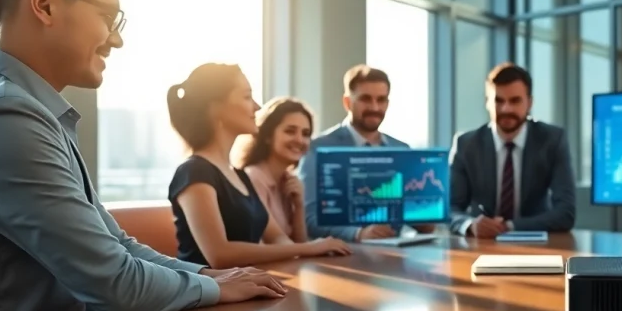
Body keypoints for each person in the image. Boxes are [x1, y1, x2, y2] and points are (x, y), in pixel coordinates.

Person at [0, 0, 285, 311]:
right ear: (45, 4)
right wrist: (212, 286)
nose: (117, 39)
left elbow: (119, 247)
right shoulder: (12, 116)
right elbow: (115, 283)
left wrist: (214, 276)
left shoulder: (39, 114)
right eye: (107, 16)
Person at [167, 63, 351, 268]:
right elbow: (219, 255)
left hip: (246, 289)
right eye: (247, 97)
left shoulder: (239, 176)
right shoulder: (194, 171)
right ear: (215, 108)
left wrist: (305, 244)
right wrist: (309, 247)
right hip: (208, 295)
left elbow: (279, 239)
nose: (257, 107)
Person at [300, 64, 437, 241]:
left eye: (381, 100)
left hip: (396, 257)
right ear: (347, 102)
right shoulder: (317, 149)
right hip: (341, 256)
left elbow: (418, 220)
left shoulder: (402, 150)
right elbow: (310, 218)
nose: (375, 107)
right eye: (366, 99)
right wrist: (358, 234)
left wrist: (425, 218)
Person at [449, 63, 576, 238]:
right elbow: (450, 208)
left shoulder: (552, 140)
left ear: (529, 102)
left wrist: (509, 226)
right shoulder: (466, 144)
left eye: (515, 101)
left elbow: (566, 212)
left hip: (538, 245)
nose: (506, 109)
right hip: (482, 244)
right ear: (487, 102)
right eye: (498, 101)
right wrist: (469, 224)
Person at [237, 97, 314, 242]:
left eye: (305, 134)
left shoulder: (288, 181)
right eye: (290, 131)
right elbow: (271, 244)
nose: (299, 140)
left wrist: (299, 207)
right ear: (267, 136)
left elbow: (300, 244)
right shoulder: (253, 178)